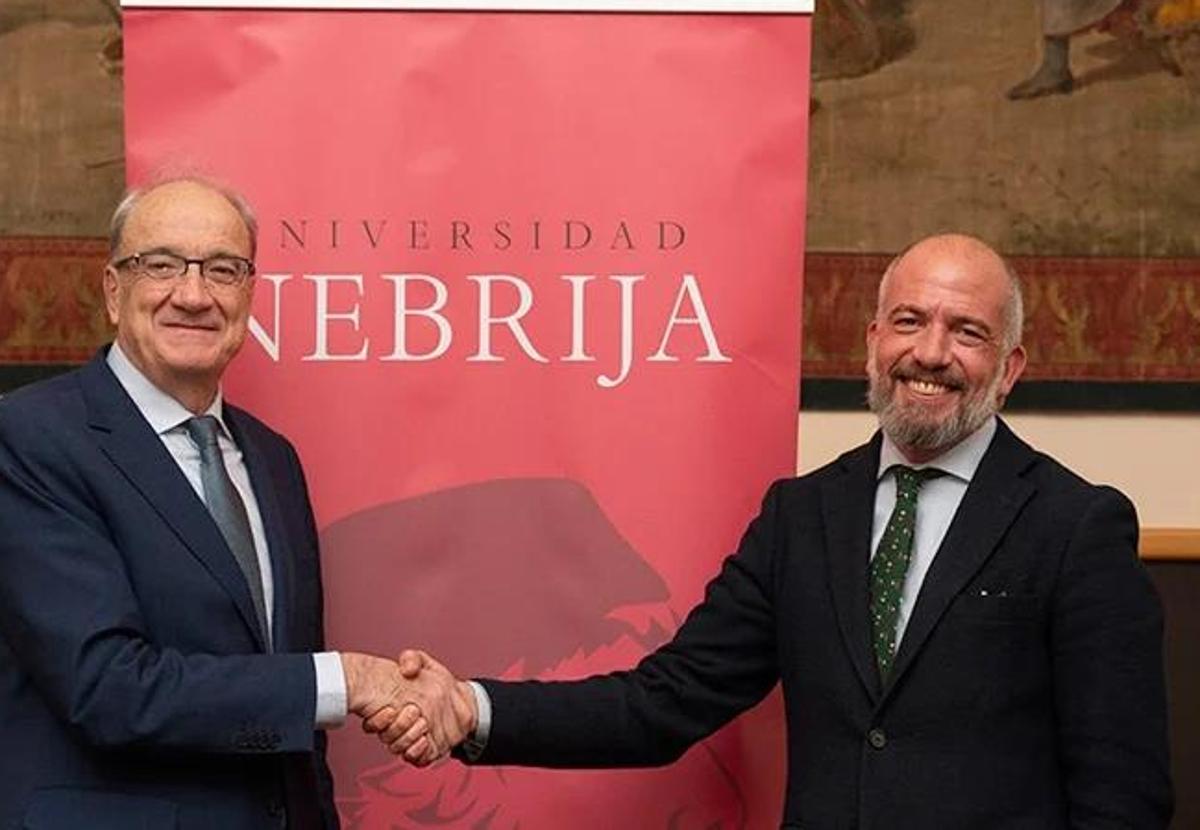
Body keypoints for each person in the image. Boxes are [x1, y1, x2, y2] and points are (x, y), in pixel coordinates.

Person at [371, 233, 1174, 828]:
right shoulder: (802, 517)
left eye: (967, 331)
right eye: (909, 321)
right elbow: (664, 702)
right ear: (872, 341)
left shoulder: (1076, 526)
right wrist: (469, 708)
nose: (930, 353)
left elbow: (1122, 794)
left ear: (1011, 367)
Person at [0, 178, 433, 829]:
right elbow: (108, 688)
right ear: (114, 292)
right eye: (163, 265)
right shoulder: (31, 438)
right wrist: (350, 681)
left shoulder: (272, 460)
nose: (195, 295)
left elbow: (287, 708)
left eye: (223, 270)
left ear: (249, 294)